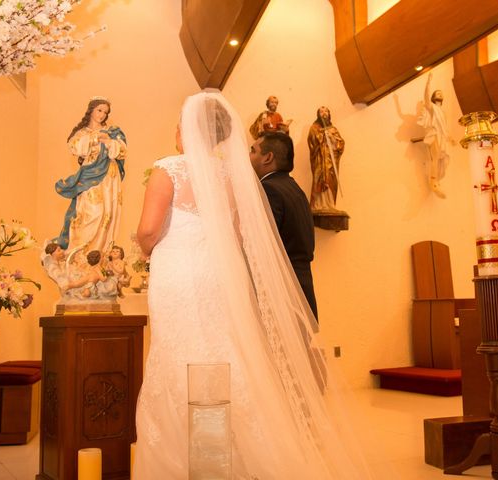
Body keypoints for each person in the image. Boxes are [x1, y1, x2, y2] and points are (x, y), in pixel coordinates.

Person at [133, 92, 373, 479]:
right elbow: (241, 237)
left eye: (180, 122)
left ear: (188, 130)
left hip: (177, 272)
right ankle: (219, 459)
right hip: (218, 275)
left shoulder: (167, 169)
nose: (176, 130)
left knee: (176, 354)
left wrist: (146, 247)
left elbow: (147, 230)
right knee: (222, 354)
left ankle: (186, 461)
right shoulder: (231, 175)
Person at [249, 131, 318, 319]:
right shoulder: (293, 187)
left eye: (253, 151)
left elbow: (261, 243)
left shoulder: (269, 189)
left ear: (268, 158)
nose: (248, 156)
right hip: (301, 285)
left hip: (282, 290)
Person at [53, 97, 127, 252]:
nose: (102, 115)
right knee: (93, 212)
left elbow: (122, 150)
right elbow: (75, 147)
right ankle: (80, 252)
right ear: (91, 110)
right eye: (99, 110)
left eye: (105, 112)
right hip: (90, 176)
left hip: (109, 177)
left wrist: (108, 141)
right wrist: (95, 137)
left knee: (108, 214)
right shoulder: (82, 133)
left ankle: (99, 255)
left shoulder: (112, 131)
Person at [418, 73, 453, 198]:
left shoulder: (443, 112)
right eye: (437, 93)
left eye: (441, 93)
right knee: (436, 157)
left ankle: (436, 180)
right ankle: (433, 182)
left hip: (441, 137)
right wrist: (428, 83)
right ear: (433, 97)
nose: (440, 94)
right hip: (434, 135)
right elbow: (426, 97)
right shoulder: (431, 107)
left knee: (440, 160)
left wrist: (450, 138)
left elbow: (444, 128)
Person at [308, 106, 345, 212]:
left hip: (331, 160)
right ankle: (318, 204)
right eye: (321, 112)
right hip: (320, 160)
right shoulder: (314, 128)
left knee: (330, 180)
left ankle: (330, 204)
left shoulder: (333, 129)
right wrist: (322, 136)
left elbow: (340, 144)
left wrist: (332, 138)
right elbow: (312, 141)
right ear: (318, 115)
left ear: (329, 114)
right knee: (320, 179)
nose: (324, 113)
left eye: (326, 111)